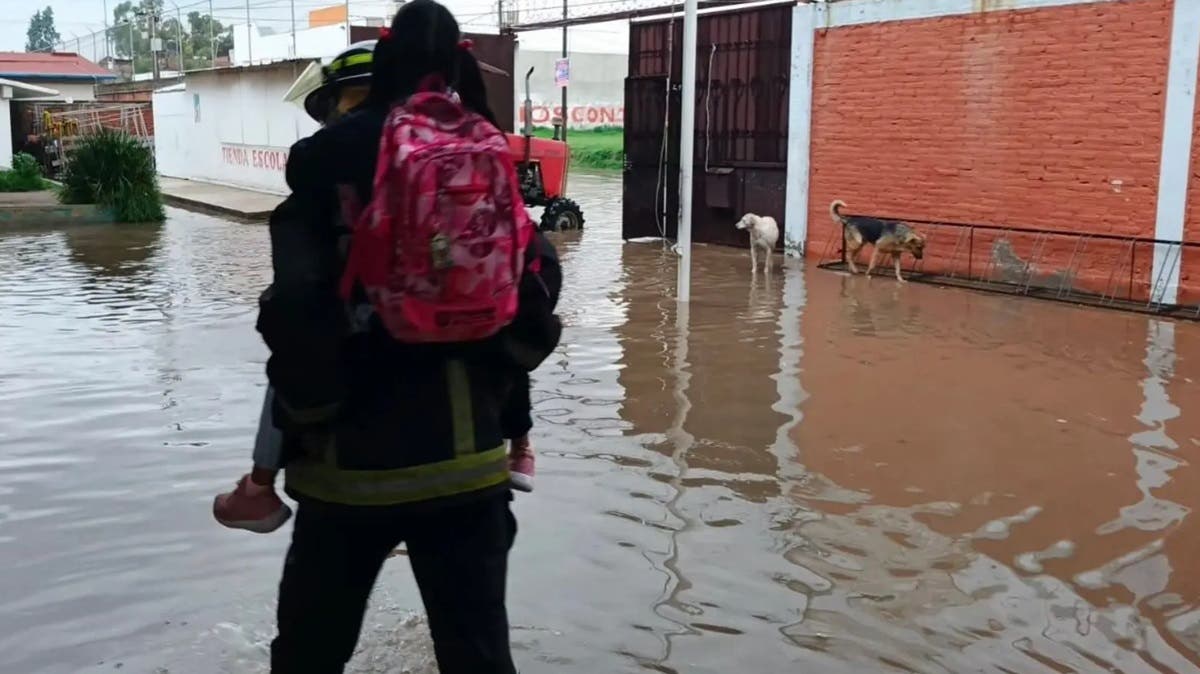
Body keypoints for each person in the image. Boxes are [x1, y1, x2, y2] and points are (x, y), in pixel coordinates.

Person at [237, 3, 560, 671]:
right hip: (470, 465)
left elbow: (294, 310)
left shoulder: (325, 169)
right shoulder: (487, 152)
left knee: (308, 656)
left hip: (345, 471)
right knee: (478, 657)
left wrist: (306, 408)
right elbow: (537, 286)